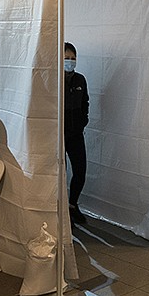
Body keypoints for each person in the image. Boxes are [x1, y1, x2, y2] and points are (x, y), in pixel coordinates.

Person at [64, 42, 89, 224]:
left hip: (76, 133)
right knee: (61, 173)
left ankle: (73, 205)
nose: (70, 62)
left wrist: (83, 121)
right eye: (66, 58)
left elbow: (85, 103)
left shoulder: (80, 80)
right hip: (58, 136)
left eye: (73, 58)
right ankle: (62, 211)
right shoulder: (53, 78)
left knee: (80, 171)